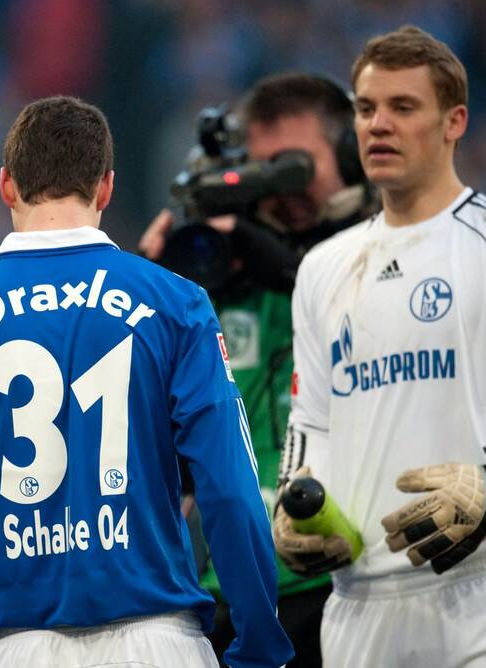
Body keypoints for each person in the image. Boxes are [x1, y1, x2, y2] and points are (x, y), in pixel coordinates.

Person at [0, 96, 293, 668]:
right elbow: (229, 488)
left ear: (6, 186)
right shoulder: (178, 304)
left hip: (18, 646)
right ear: (106, 188)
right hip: (160, 641)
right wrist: (258, 647)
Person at [276, 25, 486, 667]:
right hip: (355, 612)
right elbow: (310, 423)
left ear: (454, 121)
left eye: (403, 108)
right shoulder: (323, 268)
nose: (379, 125)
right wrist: (292, 503)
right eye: (366, 108)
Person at [140, 72, 379, 667]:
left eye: (295, 166)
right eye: (263, 169)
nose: (279, 188)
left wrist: (268, 254)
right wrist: (151, 296)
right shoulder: (217, 276)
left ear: (351, 157)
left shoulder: (389, 252)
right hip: (236, 600)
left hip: (361, 585)